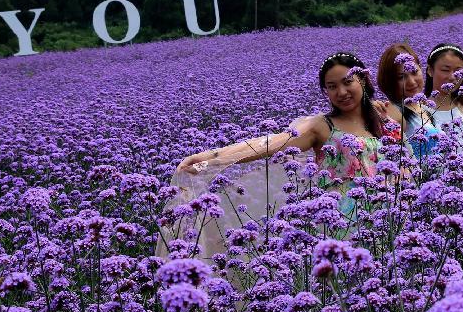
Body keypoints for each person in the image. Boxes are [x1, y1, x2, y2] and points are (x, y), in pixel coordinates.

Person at [158, 52, 399, 261]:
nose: (342, 92)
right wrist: (209, 158)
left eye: (348, 82)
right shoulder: (322, 126)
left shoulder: (385, 117)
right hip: (339, 222)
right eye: (332, 86)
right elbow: (267, 144)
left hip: (388, 216)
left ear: (363, 80)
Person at [376, 43, 442, 161]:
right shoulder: (393, 112)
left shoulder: (423, 105)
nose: (411, 82)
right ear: (390, 81)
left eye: (414, 72)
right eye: (401, 77)